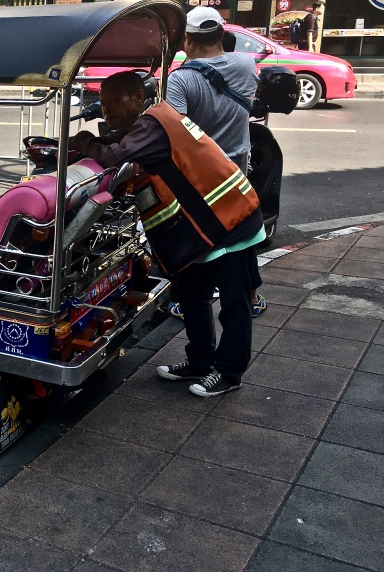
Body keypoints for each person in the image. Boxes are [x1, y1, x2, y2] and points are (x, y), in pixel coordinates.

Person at [71, 71, 265, 397]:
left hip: (231, 219)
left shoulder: (152, 125)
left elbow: (116, 154)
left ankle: (229, 373)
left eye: (114, 101)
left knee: (234, 302)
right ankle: (200, 362)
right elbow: (119, 145)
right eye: (102, 103)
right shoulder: (149, 122)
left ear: (137, 97)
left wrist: (83, 142)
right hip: (206, 227)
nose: (107, 110)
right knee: (192, 295)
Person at [164, 6, 266, 320]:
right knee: (242, 238)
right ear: (222, 33)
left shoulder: (180, 80)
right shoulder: (246, 65)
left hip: (201, 180)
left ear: (186, 38)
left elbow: (176, 132)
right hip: (237, 175)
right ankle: (251, 297)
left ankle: (188, 302)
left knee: (198, 239)